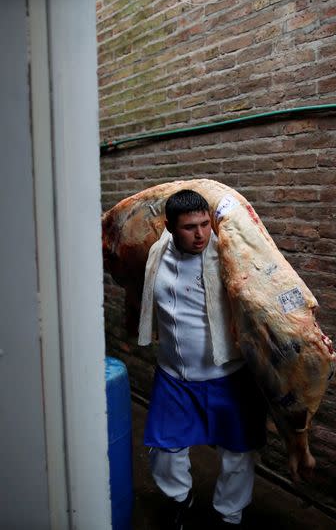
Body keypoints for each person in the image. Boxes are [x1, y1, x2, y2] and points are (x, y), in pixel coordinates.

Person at [138, 189, 266, 528]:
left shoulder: (226, 254)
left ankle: (230, 515)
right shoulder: (156, 253)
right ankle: (180, 499)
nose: (200, 235)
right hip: (173, 375)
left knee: (238, 453)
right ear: (168, 227)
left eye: (205, 224)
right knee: (165, 450)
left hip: (227, 374)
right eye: (189, 227)